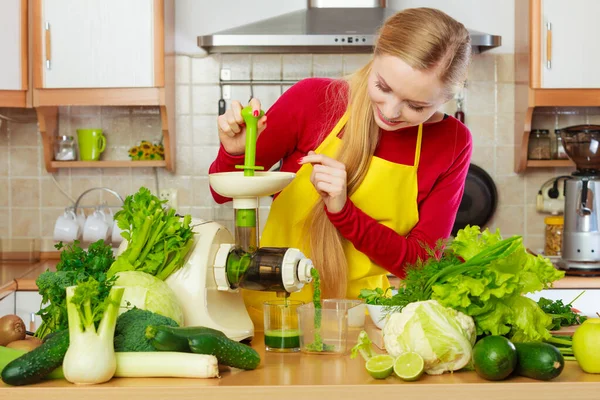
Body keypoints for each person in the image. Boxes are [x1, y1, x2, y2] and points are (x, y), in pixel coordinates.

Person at [209, 7, 473, 327]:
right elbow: (220, 193)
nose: (391, 112)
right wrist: (236, 154)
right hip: (273, 313)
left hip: (362, 321)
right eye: (384, 87)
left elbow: (418, 265)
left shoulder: (451, 141)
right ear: (375, 55)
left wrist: (344, 212)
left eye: (417, 105)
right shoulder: (313, 100)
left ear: (447, 98)